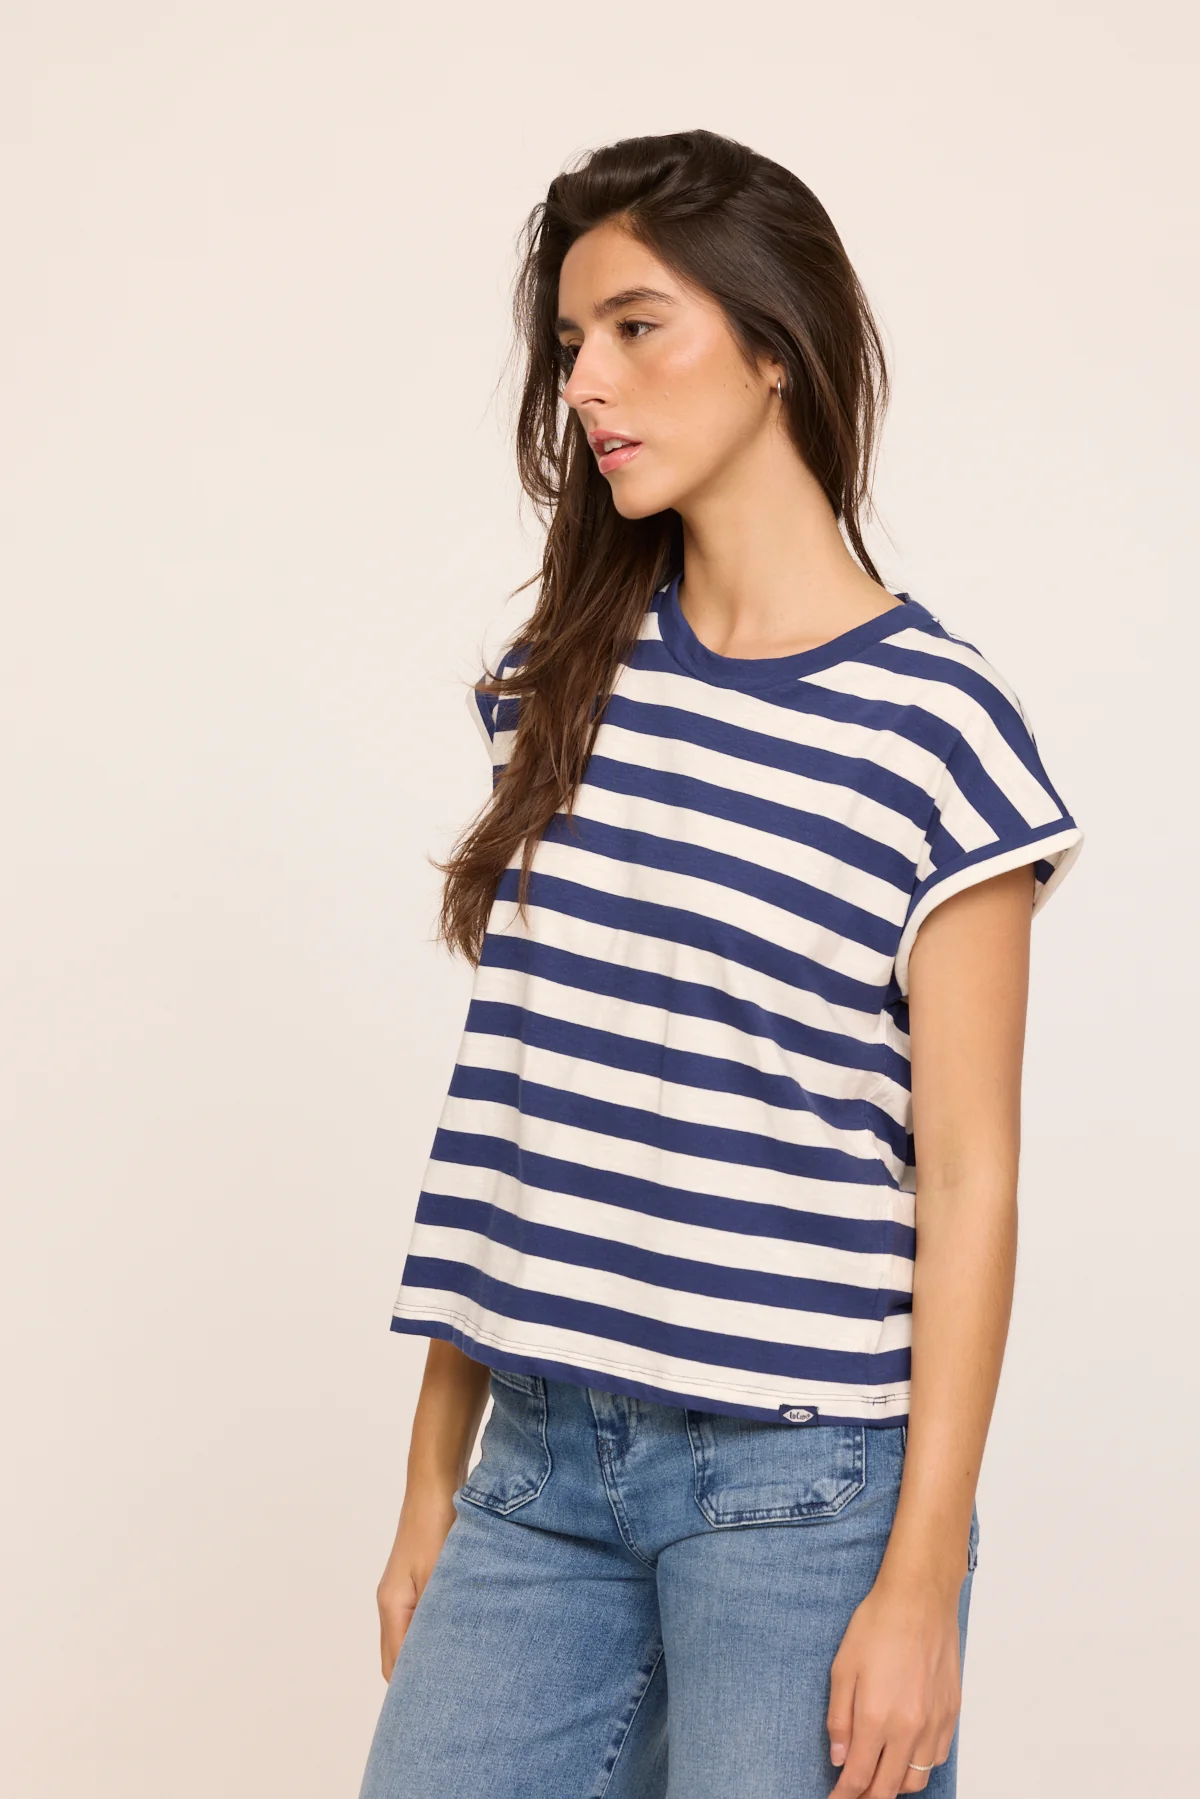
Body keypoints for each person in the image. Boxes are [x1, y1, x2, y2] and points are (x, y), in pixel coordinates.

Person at [356, 128, 1082, 1799]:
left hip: (804, 1491)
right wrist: (430, 1482)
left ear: (774, 345)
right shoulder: (564, 681)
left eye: (636, 328)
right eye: (569, 345)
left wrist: (921, 1580)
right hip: (541, 1463)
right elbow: (519, 1108)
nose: (586, 386)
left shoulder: (938, 731)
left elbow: (970, 1176)